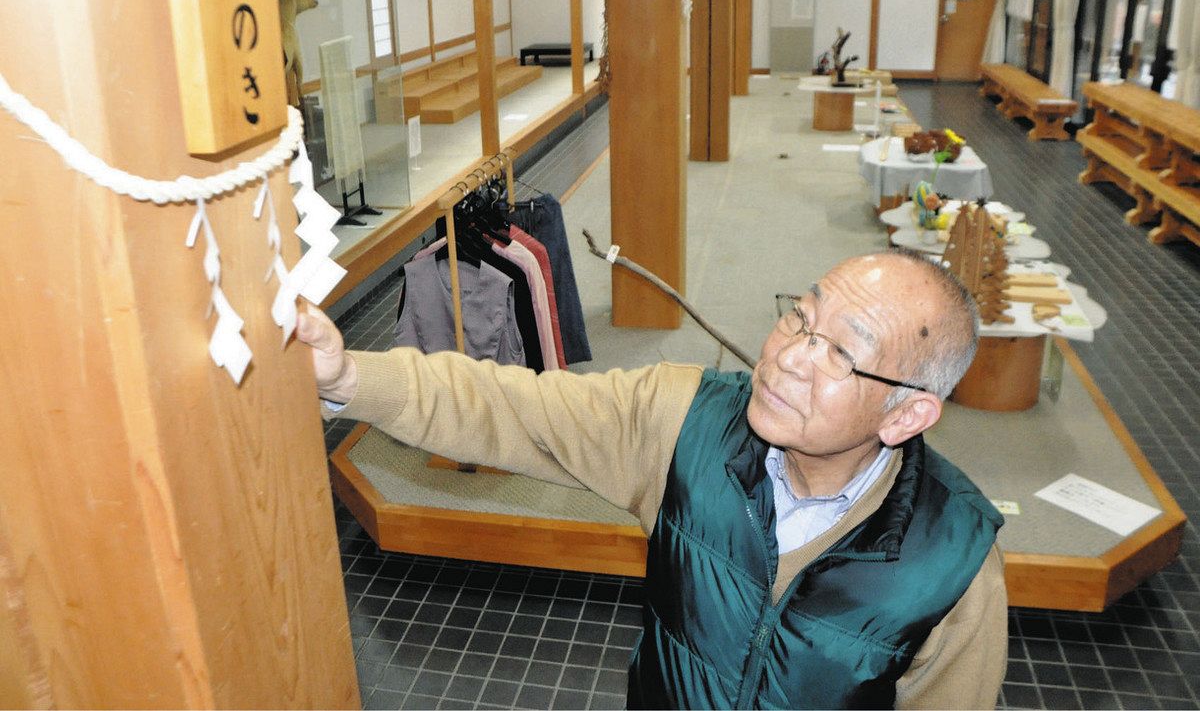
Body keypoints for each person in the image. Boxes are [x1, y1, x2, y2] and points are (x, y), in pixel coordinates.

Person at [300, 248, 1008, 709]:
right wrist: (348, 377)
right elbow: (510, 407)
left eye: (842, 355)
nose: (789, 356)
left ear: (907, 414)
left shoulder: (954, 563)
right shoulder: (683, 420)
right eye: (801, 316)